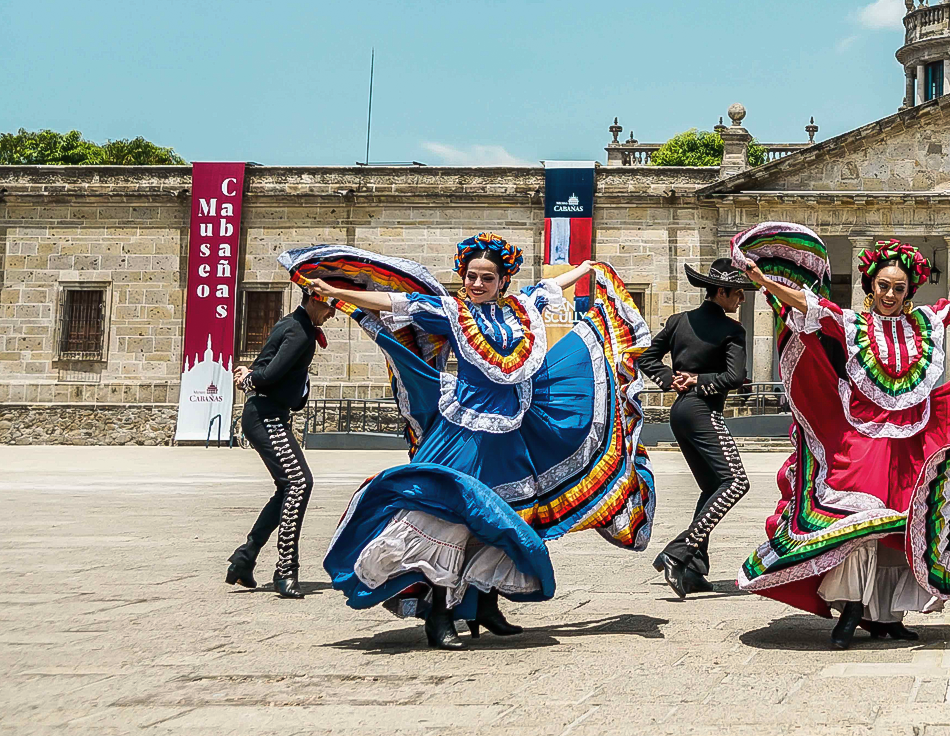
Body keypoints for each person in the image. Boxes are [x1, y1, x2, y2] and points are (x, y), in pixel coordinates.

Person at [286, 234, 655, 651]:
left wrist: (587, 270)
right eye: (471, 276)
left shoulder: (519, 311)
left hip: (511, 434)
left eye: (487, 278)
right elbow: (396, 304)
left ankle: (483, 606)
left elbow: (550, 288)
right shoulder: (453, 312)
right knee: (455, 518)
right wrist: (336, 292)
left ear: (502, 281)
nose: (478, 284)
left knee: (500, 519)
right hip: (465, 431)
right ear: (462, 277)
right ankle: (441, 614)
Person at [734, 227, 950, 649]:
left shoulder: (924, 322)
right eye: (883, 287)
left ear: (909, 291)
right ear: (870, 287)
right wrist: (765, 283)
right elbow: (808, 304)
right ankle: (853, 606)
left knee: (903, 523)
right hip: (863, 441)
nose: (890, 295)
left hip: (912, 441)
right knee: (859, 521)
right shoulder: (853, 322)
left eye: (898, 288)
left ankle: (886, 615)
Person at [636, 258, 756, 597]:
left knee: (712, 487)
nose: (742, 300)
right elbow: (732, 377)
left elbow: (645, 358)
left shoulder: (678, 322)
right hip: (703, 409)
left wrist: (670, 380)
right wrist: (699, 381)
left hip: (680, 412)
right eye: (738, 293)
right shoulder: (733, 330)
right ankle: (678, 553)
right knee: (735, 482)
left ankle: (693, 568)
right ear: (721, 291)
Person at [225, 287, 336, 599]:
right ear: (316, 299)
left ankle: (244, 558)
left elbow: (266, 367)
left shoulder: (293, 324)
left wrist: (251, 374)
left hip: (266, 413)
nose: (332, 315)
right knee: (300, 483)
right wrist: (248, 379)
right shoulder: (300, 331)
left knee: (288, 486)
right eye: (330, 307)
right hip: (266, 416)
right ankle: (285, 569)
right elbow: (270, 373)